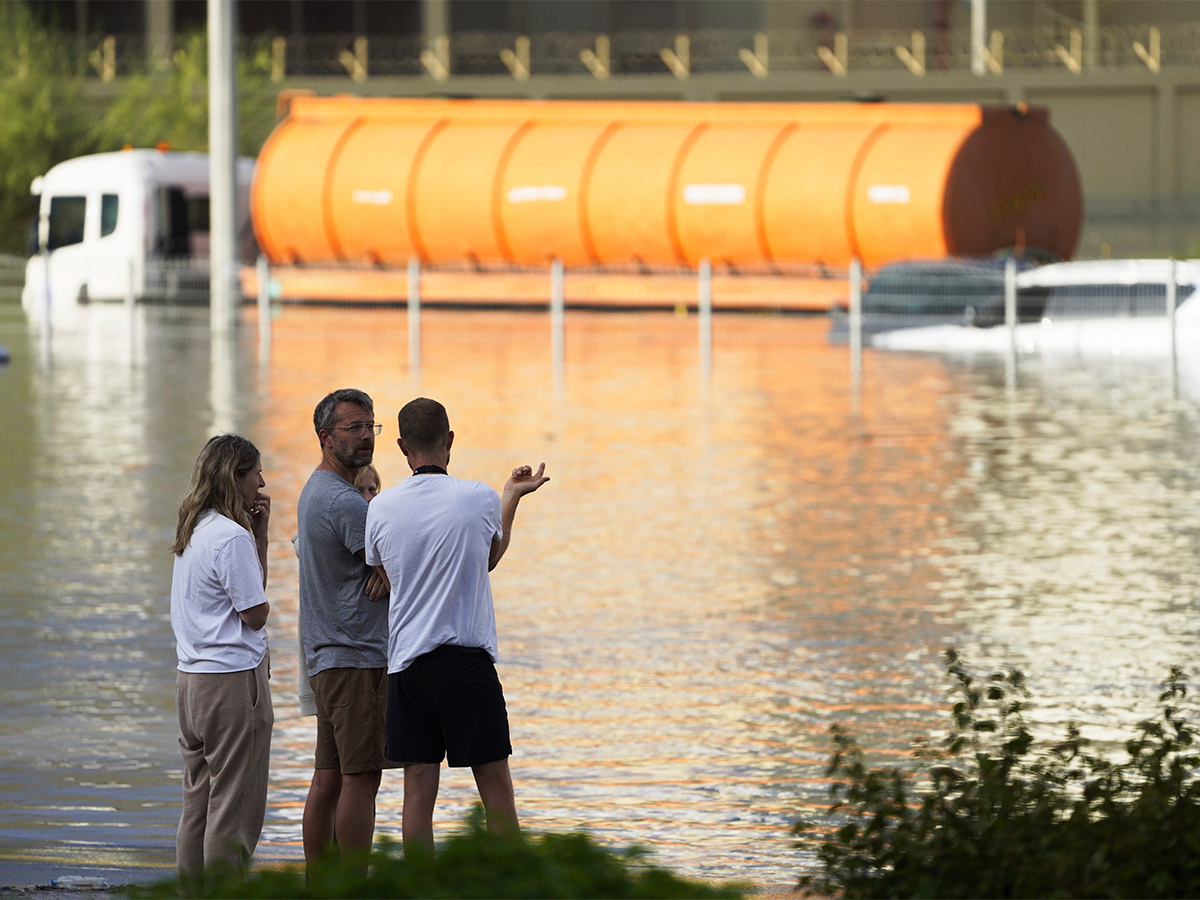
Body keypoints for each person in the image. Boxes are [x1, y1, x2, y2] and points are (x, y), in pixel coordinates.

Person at [364, 397, 549, 855]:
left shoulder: (381, 508)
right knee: (497, 793)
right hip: (468, 665)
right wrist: (511, 496)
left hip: (408, 666)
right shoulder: (478, 497)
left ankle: (421, 889)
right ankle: (508, 885)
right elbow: (488, 558)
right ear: (449, 440)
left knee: (417, 798)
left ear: (403, 447)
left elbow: (383, 568)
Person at [296, 389, 396, 874]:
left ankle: (320, 880)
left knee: (328, 777)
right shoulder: (346, 503)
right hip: (356, 657)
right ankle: (354, 882)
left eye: (370, 427)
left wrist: (384, 568)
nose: (364, 437)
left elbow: (383, 566)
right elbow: (396, 571)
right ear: (325, 437)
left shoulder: (314, 490)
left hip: (327, 657)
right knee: (362, 778)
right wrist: (387, 570)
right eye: (353, 428)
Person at [169, 434, 273, 880]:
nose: (262, 482)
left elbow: (243, 592)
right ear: (235, 476)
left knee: (198, 803)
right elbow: (255, 612)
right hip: (231, 682)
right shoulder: (230, 538)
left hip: (191, 680)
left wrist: (260, 536)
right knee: (234, 807)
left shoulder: (194, 529)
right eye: (255, 473)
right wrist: (251, 539)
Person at [295, 463, 382, 718]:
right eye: (360, 492)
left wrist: (385, 572)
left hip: (330, 664)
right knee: (367, 757)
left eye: (373, 490)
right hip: (355, 662)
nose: (367, 499)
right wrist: (390, 575)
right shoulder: (344, 510)